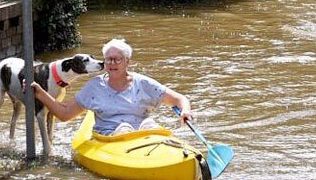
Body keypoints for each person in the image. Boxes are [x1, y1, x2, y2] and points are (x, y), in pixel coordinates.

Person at [29, 38, 194, 136]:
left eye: (117, 59)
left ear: (127, 62)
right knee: (123, 128)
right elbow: (65, 114)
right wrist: (40, 93)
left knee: (149, 125)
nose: (112, 64)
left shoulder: (143, 83)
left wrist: (185, 110)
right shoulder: (94, 87)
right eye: (108, 59)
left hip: (144, 136)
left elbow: (179, 99)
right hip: (112, 138)